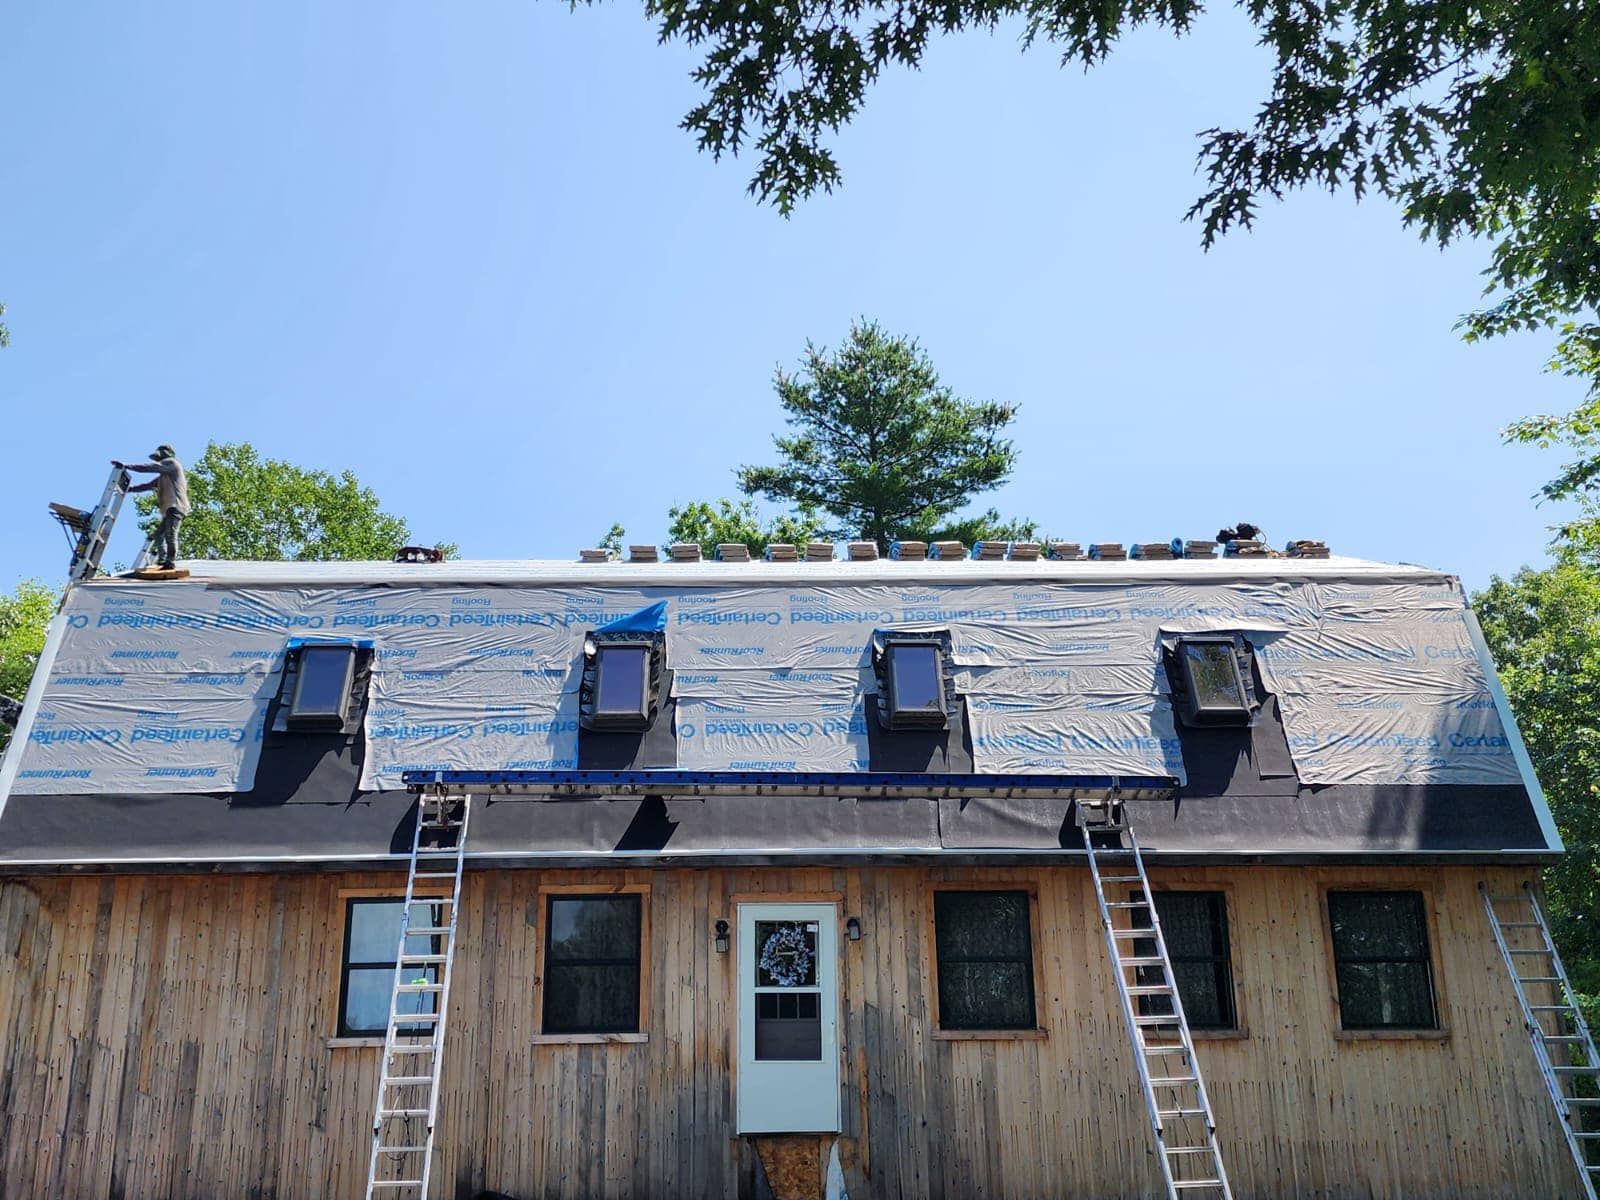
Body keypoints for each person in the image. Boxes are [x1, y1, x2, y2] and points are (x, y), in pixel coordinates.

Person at [113, 445, 190, 570]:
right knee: (159, 535)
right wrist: (130, 489)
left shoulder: (172, 463)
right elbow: (147, 486)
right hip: (170, 508)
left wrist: (127, 465)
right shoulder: (164, 476)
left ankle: (170, 561)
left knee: (170, 534)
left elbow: (149, 467)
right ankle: (162, 559)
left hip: (176, 506)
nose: (159, 461)